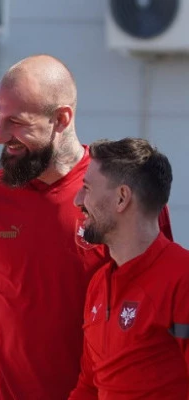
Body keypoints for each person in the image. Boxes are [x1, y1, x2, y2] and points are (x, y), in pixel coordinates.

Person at [0, 55, 173, 400]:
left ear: (61, 119)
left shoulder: (124, 195)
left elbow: (162, 311)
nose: (0, 136)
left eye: (16, 122)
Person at [69, 138, 189, 399]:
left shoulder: (183, 280)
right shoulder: (99, 284)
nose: (78, 200)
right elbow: (89, 387)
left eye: (87, 188)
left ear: (122, 198)